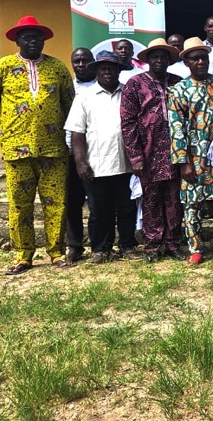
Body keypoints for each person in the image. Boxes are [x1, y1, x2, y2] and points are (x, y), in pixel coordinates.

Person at [0, 15, 75, 274]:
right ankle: (23, 255)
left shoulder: (57, 68)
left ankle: (56, 252)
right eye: (27, 37)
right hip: (16, 148)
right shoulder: (1, 68)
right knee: (20, 204)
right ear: (17, 41)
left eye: (38, 37)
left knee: (56, 202)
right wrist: (9, 124)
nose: (33, 41)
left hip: (53, 149)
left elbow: (69, 104)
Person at [65, 51, 137, 264]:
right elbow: (77, 133)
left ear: (118, 71)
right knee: (98, 211)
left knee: (126, 208)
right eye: (103, 68)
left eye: (112, 68)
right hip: (96, 165)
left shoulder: (129, 94)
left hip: (126, 163)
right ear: (96, 71)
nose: (107, 71)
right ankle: (100, 248)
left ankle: (127, 245)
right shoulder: (84, 97)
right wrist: (80, 162)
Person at [168, 38, 213, 265]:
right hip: (194, 158)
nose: (200, 62)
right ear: (186, 62)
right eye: (195, 58)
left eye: (204, 58)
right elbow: (176, 128)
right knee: (191, 205)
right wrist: (183, 162)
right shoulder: (179, 90)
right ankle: (195, 249)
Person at [120, 38, 185, 260]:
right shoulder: (135, 84)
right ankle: (153, 245)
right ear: (148, 60)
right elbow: (128, 123)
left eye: (163, 57)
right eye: (155, 56)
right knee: (151, 199)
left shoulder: (177, 82)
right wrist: (135, 156)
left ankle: (173, 243)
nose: (159, 60)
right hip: (148, 152)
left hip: (176, 152)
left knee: (174, 200)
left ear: (169, 60)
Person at [65, 47, 96, 262]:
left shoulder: (101, 85)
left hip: (96, 152)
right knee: (72, 201)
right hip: (68, 152)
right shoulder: (66, 87)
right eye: (77, 61)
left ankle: (99, 244)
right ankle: (74, 245)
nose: (81, 65)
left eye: (85, 60)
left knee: (96, 202)